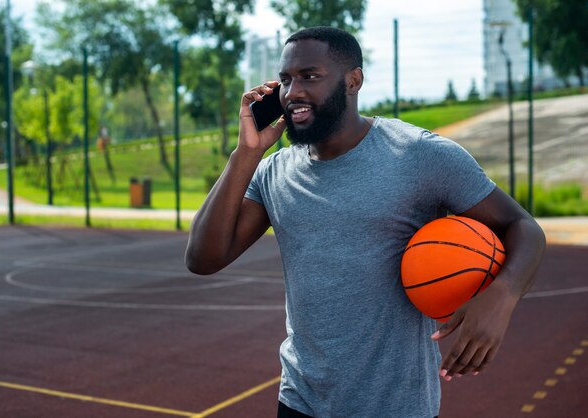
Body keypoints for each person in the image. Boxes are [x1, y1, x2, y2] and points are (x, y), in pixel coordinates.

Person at [185, 26, 546, 418]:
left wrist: (501, 298)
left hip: (397, 406)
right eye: (286, 80)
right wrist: (245, 154)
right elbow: (203, 258)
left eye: (310, 76)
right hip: (300, 402)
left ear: (353, 80)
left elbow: (523, 227)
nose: (293, 93)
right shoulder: (274, 172)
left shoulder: (419, 154)